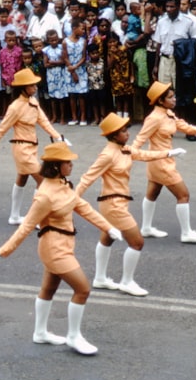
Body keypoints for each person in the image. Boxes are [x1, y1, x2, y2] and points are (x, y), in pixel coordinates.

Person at [0, 141, 121, 355]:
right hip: (54, 248)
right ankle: (73, 336)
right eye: (67, 162)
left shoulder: (64, 184)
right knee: (82, 289)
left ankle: (40, 332)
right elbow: (26, 226)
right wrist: (5, 250)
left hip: (64, 244)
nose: (71, 165)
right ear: (55, 166)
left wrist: (108, 228)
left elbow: (83, 207)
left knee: (49, 289)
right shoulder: (45, 195)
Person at [77, 113, 184, 297]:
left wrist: (169, 153)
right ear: (113, 135)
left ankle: (100, 278)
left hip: (119, 202)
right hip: (113, 204)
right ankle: (127, 281)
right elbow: (87, 178)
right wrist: (71, 199)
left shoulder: (125, 149)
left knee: (107, 237)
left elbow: (144, 154)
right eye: (123, 131)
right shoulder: (107, 155)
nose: (128, 134)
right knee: (136, 242)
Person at [130, 81, 196, 243]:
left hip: (160, 162)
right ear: (160, 100)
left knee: (152, 193)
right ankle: (186, 233)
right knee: (183, 195)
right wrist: (129, 153)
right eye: (170, 97)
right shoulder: (154, 118)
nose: (174, 99)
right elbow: (138, 142)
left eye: (174, 96)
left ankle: (146, 227)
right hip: (161, 163)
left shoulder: (168, 114)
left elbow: (185, 127)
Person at [0, 68, 66, 224]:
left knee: (22, 178)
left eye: (35, 85)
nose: (35, 88)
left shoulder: (33, 102)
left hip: (32, 147)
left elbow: (44, 121)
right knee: (44, 181)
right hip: (21, 149)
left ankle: (14, 216)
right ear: (23, 88)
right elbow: (2, 129)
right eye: (31, 85)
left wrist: (57, 136)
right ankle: (37, 218)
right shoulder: (15, 107)